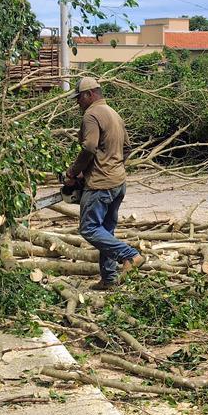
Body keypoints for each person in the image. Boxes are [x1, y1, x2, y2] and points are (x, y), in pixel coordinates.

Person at [64, 76, 143, 290]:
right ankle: (109, 279)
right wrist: (111, 165)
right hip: (118, 181)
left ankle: (130, 255)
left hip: (100, 184)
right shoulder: (114, 114)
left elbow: (89, 147)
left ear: (90, 94)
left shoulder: (92, 114)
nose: (77, 103)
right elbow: (126, 148)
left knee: (89, 229)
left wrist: (73, 172)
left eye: (79, 98)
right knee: (106, 232)